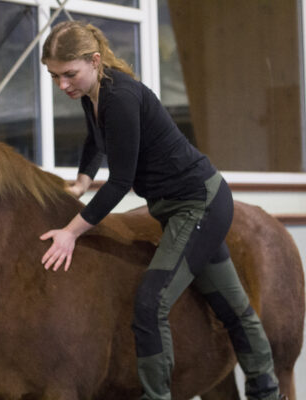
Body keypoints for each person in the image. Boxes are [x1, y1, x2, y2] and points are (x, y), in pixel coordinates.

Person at [39, 20, 284, 400]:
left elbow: (120, 182)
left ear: (94, 60)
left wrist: (71, 232)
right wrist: (83, 181)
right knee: (233, 305)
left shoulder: (119, 96)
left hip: (199, 203)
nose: (62, 85)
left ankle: (257, 393)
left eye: (69, 74)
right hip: (175, 207)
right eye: (54, 76)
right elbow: (96, 139)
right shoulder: (94, 93)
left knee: (151, 303)